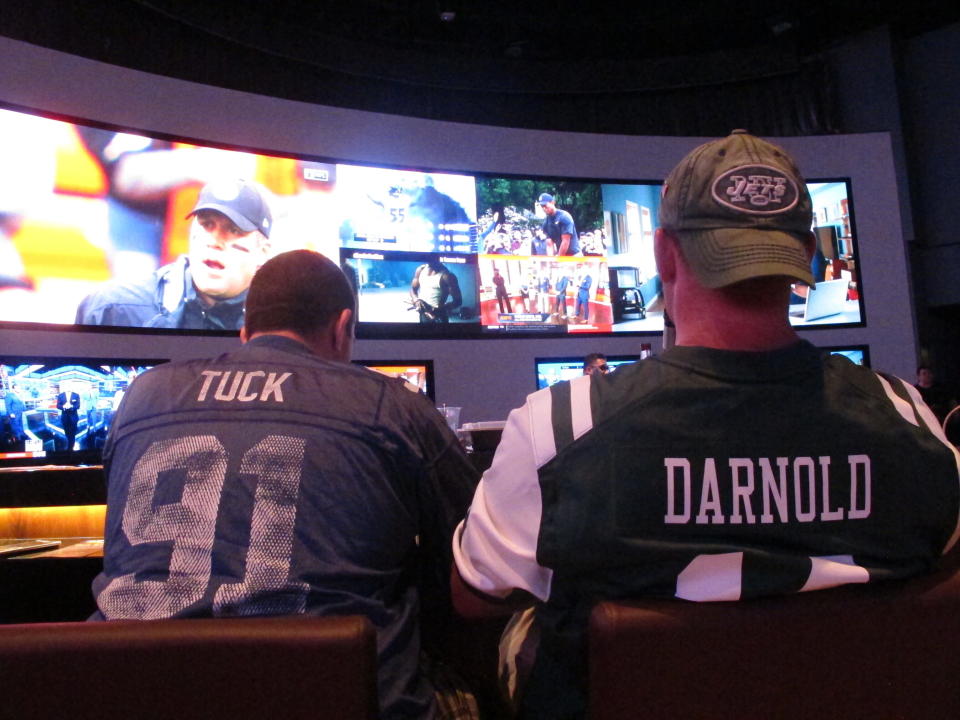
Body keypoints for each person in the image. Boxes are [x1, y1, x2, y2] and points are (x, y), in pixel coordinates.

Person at [450, 130, 960, 719]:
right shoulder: (910, 417)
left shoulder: (561, 429)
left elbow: (472, 595)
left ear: (665, 254)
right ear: (802, 256)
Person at [91, 249, 479, 720]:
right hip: (335, 693)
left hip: (127, 692)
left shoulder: (142, 395)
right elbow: (473, 561)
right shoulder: (392, 405)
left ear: (244, 332)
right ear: (342, 327)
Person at [75, 178, 273, 331]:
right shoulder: (112, 308)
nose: (214, 241)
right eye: (206, 224)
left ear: (262, 253)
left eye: (234, 230)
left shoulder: (278, 327)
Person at [410, 257, 464, 323]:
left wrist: (441, 309)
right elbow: (413, 289)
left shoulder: (447, 276)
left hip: (439, 318)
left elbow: (458, 301)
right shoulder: (420, 270)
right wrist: (416, 300)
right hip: (423, 314)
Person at [56, 382, 81, 451]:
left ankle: (71, 446)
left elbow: (78, 406)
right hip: (64, 417)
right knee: (67, 431)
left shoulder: (76, 395)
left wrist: (71, 406)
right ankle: (69, 443)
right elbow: (58, 406)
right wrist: (63, 407)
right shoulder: (61, 395)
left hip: (74, 417)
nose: (68, 387)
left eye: (69, 386)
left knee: (73, 432)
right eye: (67, 386)